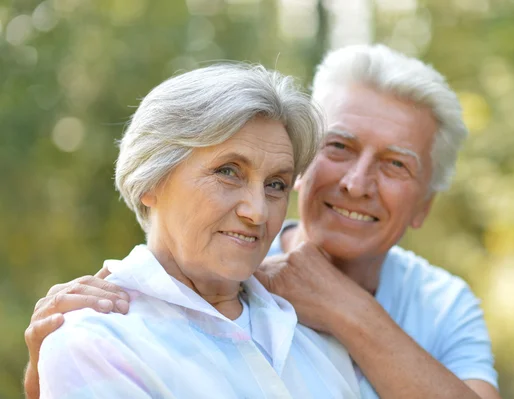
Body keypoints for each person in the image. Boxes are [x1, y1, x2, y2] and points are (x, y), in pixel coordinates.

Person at [25, 45, 501, 399]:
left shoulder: (430, 307)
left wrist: (341, 306)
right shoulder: (113, 323)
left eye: (396, 164)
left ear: (425, 206)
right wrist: (47, 368)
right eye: (339, 147)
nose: (357, 183)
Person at [32, 63, 361, 398]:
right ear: (152, 179)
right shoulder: (97, 343)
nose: (258, 211)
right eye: (229, 171)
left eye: (275, 184)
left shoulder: (316, 334)